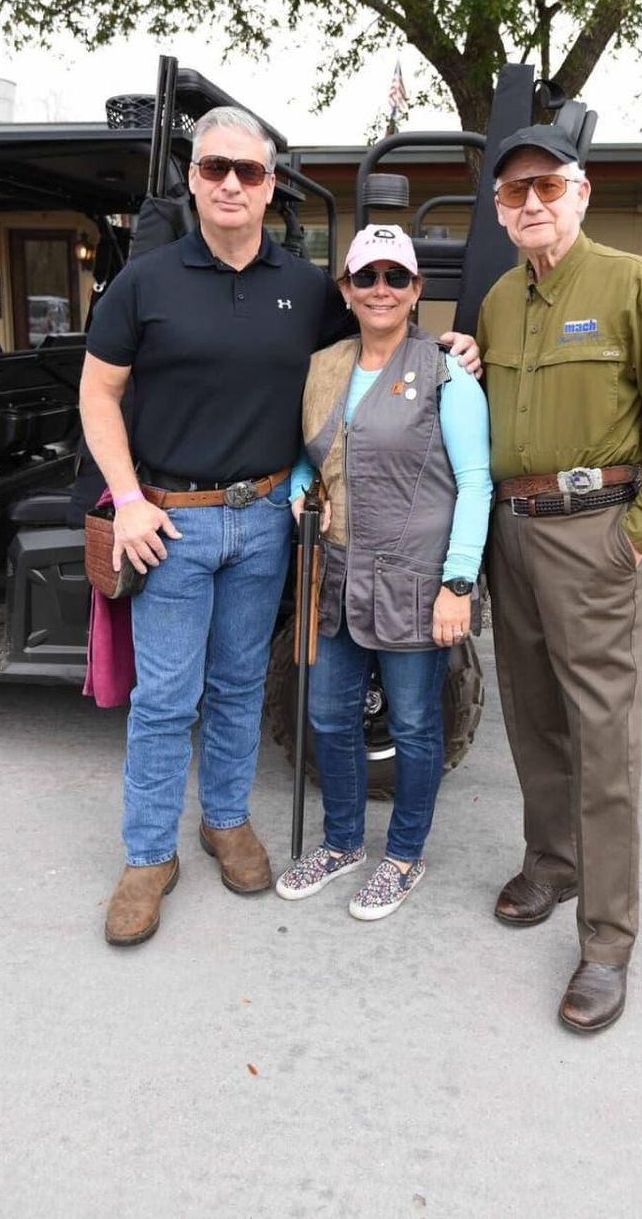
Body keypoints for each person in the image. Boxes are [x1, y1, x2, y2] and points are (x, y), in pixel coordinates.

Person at [79, 109, 480, 946]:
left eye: (249, 172)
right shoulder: (142, 283)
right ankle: (149, 857)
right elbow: (97, 395)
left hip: (266, 521)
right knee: (164, 702)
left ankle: (224, 823)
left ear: (270, 187)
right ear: (192, 179)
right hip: (172, 523)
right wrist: (129, 500)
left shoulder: (304, 289)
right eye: (216, 168)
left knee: (235, 690)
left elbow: (379, 346)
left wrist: (455, 350)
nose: (231, 184)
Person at [478, 123, 642, 1031]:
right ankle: (550, 862)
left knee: (603, 741)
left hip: (596, 537)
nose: (531, 203)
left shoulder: (631, 284)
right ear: (500, 212)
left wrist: (640, 535)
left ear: (581, 192)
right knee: (533, 715)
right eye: (514, 193)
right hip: (514, 533)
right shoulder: (500, 300)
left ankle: (608, 942)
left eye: (547, 186)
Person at [275, 224, 492, 920]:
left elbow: (476, 482)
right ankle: (343, 844)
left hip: (415, 581)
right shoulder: (325, 365)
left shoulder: (446, 371)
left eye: (396, 277)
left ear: (416, 290)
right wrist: (298, 489)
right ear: (346, 288)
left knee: (417, 725)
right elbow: (315, 455)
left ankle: (403, 857)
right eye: (366, 277)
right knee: (329, 717)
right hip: (337, 574)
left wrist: (459, 583)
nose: (381, 290)